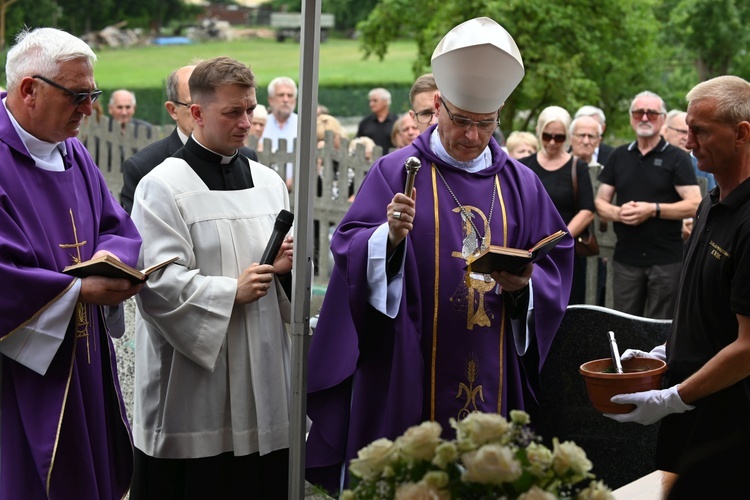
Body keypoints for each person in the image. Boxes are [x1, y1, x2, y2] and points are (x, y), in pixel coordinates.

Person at [305, 17, 573, 494]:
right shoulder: (396, 171)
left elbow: (556, 256)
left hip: (493, 366)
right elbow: (348, 247)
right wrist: (386, 239)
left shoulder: (519, 182)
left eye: (486, 124)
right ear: (436, 106)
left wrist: (526, 286)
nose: (473, 136)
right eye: (462, 121)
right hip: (411, 366)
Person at [130, 56, 294, 499]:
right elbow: (157, 285)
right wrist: (229, 292)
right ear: (197, 113)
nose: (246, 122)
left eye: (250, 109)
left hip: (263, 368)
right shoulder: (161, 187)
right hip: (195, 383)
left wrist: (284, 271)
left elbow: (287, 281)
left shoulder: (269, 183)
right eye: (232, 112)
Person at [0, 27, 142, 499]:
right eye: (78, 96)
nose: (89, 109)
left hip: (85, 354)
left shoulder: (73, 151)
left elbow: (116, 225)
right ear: (28, 90)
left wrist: (110, 260)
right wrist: (78, 290)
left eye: (93, 94)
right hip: (20, 370)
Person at [604, 75, 750, 477]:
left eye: (700, 132)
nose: (688, 143)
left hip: (727, 420)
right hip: (688, 408)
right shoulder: (711, 200)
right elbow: (703, 305)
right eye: (687, 131)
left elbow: (748, 347)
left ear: (741, 133)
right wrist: (664, 352)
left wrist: (673, 398)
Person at [595, 91, 701, 319]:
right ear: (631, 118)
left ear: (662, 119)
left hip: (666, 261)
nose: (644, 118)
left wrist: (652, 210)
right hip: (626, 259)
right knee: (623, 324)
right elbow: (600, 202)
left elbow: (695, 204)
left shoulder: (677, 158)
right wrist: (619, 213)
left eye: (651, 113)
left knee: (659, 328)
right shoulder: (618, 156)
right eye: (639, 112)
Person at [119, 65, 259, 214]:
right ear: (173, 110)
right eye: (193, 105)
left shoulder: (247, 158)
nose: (202, 114)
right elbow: (137, 233)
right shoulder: (145, 167)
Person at [519, 106, 594, 304]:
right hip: (531, 251)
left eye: (559, 137)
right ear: (539, 132)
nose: (552, 142)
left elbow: (587, 211)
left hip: (566, 251)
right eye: (547, 135)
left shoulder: (577, 167)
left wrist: (560, 240)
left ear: (567, 136)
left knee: (568, 307)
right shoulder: (523, 165)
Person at [662, 109, 716, 193]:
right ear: (665, 131)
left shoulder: (703, 168)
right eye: (682, 132)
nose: (687, 138)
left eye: (692, 133)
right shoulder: (651, 161)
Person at [261, 76, 298, 190]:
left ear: (295, 100)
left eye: (290, 95)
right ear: (270, 100)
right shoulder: (260, 125)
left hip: (296, 189)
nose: (286, 100)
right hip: (265, 187)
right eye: (281, 95)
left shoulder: (303, 125)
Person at [356, 87, 398, 151]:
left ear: (385, 102)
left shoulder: (396, 122)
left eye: (375, 101)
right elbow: (357, 142)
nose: (371, 104)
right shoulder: (365, 123)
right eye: (370, 101)